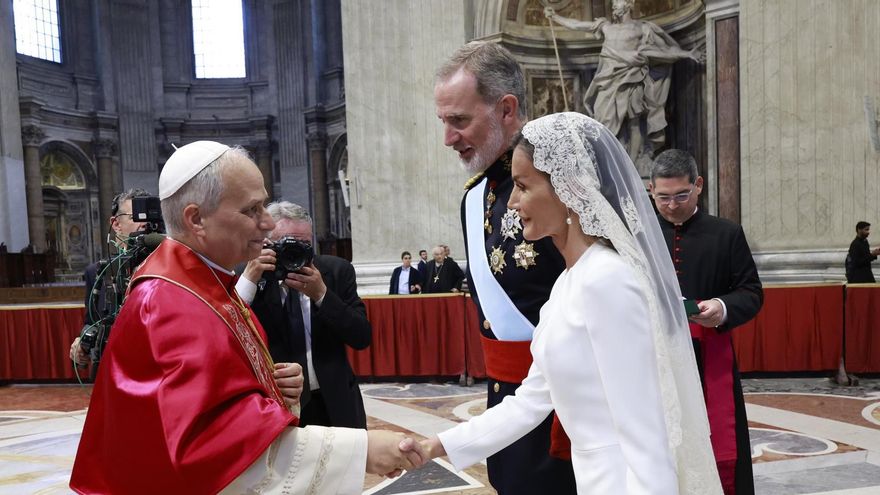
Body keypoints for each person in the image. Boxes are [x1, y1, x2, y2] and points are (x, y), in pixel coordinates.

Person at [70, 141, 424, 494]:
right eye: (252, 210)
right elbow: (211, 448)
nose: (268, 223)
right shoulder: (170, 303)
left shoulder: (203, 282)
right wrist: (360, 452)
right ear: (196, 219)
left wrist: (273, 387)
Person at [420, 112, 722, 494]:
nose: (512, 203)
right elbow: (528, 402)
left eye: (523, 187)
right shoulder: (568, 282)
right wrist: (435, 446)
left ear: (568, 190)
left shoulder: (607, 281)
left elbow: (648, 437)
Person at [435, 41, 575, 494]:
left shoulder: (566, 184)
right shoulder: (473, 198)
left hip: (567, 405)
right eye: (444, 122)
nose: (448, 138)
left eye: (460, 121)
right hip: (504, 400)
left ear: (507, 109)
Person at [649, 148, 763, 495]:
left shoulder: (726, 233)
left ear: (698, 186)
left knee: (715, 440)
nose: (671, 205)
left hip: (707, 357)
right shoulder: (639, 235)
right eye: (662, 197)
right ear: (651, 191)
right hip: (652, 359)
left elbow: (751, 292)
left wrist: (721, 306)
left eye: (681, 195)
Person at [237, 201, 372, 429]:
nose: (296, 252)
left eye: (304, 244)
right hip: (275, 403)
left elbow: (361, 337)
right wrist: (250, 279)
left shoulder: (337, 272)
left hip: (334, 404)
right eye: (286, 244)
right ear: (267, 242)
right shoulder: (250, 274)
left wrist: (322, 294)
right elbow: (227, 332)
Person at [545, 1, 703, 173]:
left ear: (628, 4)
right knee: (602, 119)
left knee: (634, 122)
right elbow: (579, 25)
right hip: (608, 81)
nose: (613, 7)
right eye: (612, 4)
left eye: (616, 3)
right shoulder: (606, 27)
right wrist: (556, 17)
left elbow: (662, 52)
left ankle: (632, 164)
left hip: (632, 79)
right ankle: (608, 159)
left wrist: (686, 53)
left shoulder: (642, 28)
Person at [70, 188, 150, 368]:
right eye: (135, 217)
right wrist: (81, 341)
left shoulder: (165, 267)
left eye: (149, 217)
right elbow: (91, 322)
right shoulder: (97, 271)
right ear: (115, 224)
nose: (144, 223)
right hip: (112, 370)